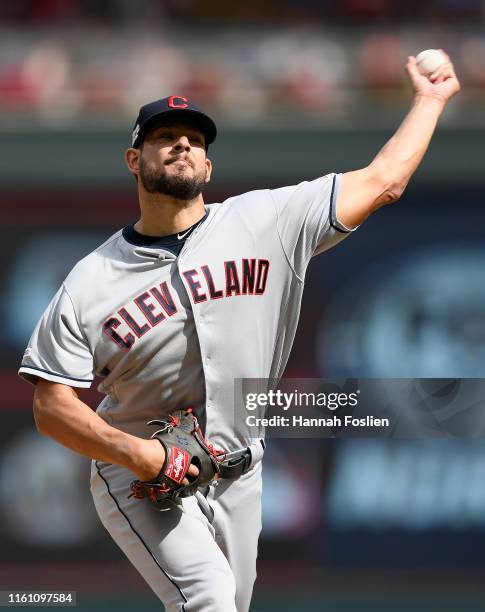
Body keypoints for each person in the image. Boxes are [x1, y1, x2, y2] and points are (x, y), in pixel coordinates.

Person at [19, 55, 460, 612]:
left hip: (240, 467)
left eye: (194, 140)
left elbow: (383, 181)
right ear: (134, 159)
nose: (182, 145)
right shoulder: (92, 278)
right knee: (208, 598)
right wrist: (139, 455)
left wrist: (431, 100)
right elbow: (50, 405)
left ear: (207, 167)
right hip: (138, 475)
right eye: (164, 136)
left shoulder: (264, 221)